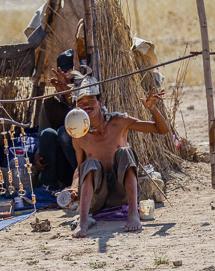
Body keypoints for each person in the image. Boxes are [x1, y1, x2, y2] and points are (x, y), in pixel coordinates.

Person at [68, 74, 168, 237]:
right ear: (77, 108)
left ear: (100, 102)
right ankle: (83, 221)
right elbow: (80, 168)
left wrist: (152, 108)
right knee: (90, 163)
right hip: (97, 198)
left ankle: (133, 215)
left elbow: (161, 130)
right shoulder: (79, 135)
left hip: (121, 193)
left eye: (91, 101)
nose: (87, 106)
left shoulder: (119, 121)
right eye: (82, 103)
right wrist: (73, 188)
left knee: (125, 152)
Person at [34, 49, 77, 190]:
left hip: (81, 161)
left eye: (71, 78)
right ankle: (50, 186)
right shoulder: (50, 103)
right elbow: (42, 135)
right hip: (61, 166)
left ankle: (80, 182)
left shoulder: (85, 98)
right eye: (63, 76)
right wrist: (38, 154)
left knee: (65, 131)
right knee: (48, 133)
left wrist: (68, 96)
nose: (66, 81)